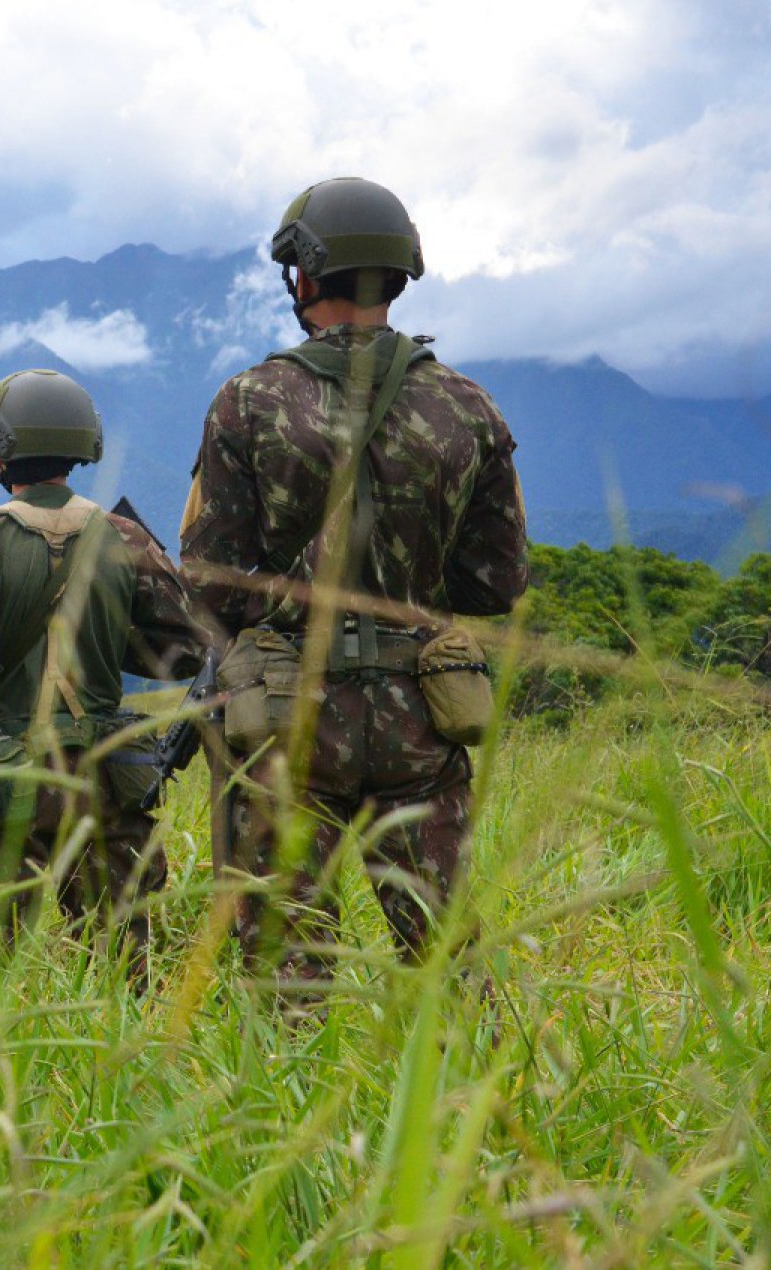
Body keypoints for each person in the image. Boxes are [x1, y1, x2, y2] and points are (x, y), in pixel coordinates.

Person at [179, 177, 529, 983]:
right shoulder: (468, 407)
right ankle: (473, 1102)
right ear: (401, 272)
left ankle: (289, 1105)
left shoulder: (249, 402)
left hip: (289, 715)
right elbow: (497, 582)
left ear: (303, 274)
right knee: (445, 957)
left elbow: (209, 585)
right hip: (423, 713)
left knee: (284, 961)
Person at [0, 370, 201, 971]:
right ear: (80, 444)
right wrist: (108, 640)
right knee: (124, 964)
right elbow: (188, 649)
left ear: (2, 446)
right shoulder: (127, 538)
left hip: (2, 780)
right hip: (107, 778)